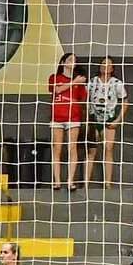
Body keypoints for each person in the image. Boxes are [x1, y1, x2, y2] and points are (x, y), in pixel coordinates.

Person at [82, 56, 127, 187]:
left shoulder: (117, 83)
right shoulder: (92, 82)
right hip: (93, 119)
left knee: (108, 150)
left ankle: (107, 183)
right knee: (91, 151)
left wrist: (118, 120)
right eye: (103, 64)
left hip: (109, 120)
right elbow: (84, 100)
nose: (105, 67)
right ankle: (85, 183)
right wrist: (86, 118)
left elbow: (125, 102)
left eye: (108, 65)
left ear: (112, 68)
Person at [48, 52, 87, 190]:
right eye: (70, 60)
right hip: (57, 118)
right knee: (57, 148)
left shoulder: (80, 82)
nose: (73, 62)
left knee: (72, 147)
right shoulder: (55, 77)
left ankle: (70, 181)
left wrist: (80, 84)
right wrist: (74, 82)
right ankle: (57, 181)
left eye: (75, 60)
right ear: (63, 62)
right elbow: (57, 90)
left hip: (73, 117)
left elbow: (83, 98)